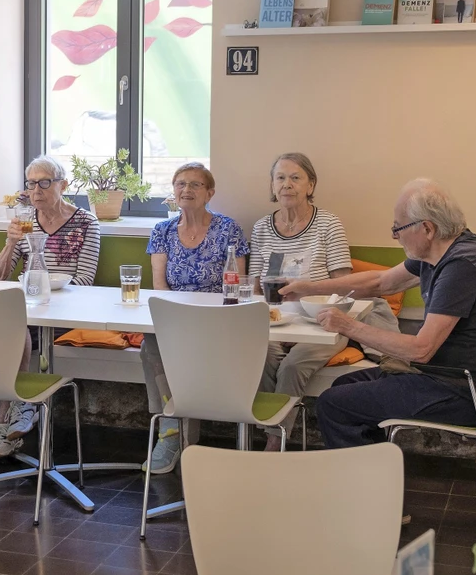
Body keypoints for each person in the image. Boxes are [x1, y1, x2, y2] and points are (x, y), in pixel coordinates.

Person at [281, 179, 476, 448]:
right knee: (343, 386)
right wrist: (309, 288)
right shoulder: (440, 250)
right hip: (442, 376)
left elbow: (420, 350)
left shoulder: (462, 266)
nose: (394, 236)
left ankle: (362, 484)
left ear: (427, 228)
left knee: (333, 405)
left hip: (462, 392)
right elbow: (380, 283)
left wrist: (348, 326)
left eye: (397, 228)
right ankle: (376, 470)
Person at [249, 153, 396, 451]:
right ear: (272, 185)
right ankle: (268, 430)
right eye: (280, 178)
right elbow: (253, 288)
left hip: (324, 322)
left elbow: (345, 286)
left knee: (292, 366)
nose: (286, 185)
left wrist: (309, 295)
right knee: (260, 356)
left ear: (310, 184)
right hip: (275, 323)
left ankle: (275, 441)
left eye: (295, 178)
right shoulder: (262, 227)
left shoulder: (328, 224)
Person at [0, 155, 100, 459]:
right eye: (31, 183)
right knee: (13, 324)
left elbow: (85, 281)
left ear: (63, 185)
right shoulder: (24, 222)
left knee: (14, 326)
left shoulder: (86, 222)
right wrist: (10, 242)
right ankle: (17, 408)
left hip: (69, 311)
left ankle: (11, 413)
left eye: (44, 183)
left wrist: (45, 290)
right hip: (30, 310)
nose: (36, 190)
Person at [142, 162, 249, 474]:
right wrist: (173, 318)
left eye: (195, 185)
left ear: (210, 193)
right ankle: (170, 430)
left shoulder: (228, 229)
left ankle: (181, 433)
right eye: (180, 184)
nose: (186, 190)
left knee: (186, 350)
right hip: (175, 315)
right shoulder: (162, 231)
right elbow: (159, 285)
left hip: (218, 317)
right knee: (151, 343)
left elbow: (238, 284)